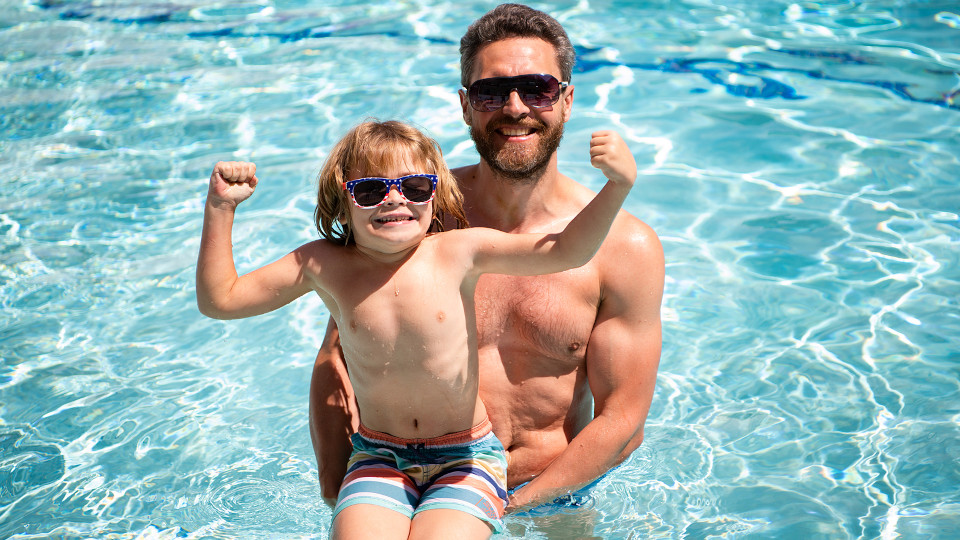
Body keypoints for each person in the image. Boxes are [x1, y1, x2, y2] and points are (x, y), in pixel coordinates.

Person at [196, 119, 637, 538]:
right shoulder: (322, 264)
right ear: (341, 202)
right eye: (369, 190)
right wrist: (220, 208)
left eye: (415, 187)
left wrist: (616, 186)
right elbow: (222, 301)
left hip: (466, 456)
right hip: (379, 454)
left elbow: (564, 251)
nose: (395, 199)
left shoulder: (459, 251)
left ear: (435, 195)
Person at [309, 2, 665, 518]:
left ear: (566, 100)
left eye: (537, 89)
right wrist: (335, 486)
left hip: (551, 498)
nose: (514, 107)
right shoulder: (409, 212)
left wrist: (508, 513)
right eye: (491, 91)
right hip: (405, 488)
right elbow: (336, 359)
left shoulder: (621, 247)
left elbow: (623, 420)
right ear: (465, 105)